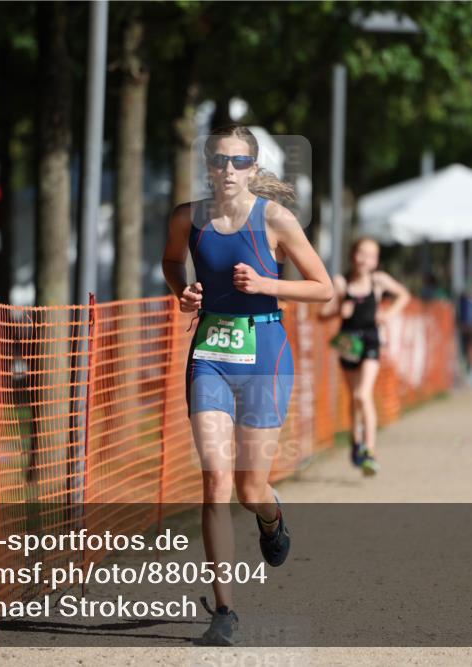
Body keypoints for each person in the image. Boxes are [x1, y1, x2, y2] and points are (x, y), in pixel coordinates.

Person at [161, 124, 333, 646]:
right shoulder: (187, 218)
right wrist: (183, 292)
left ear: (253, 168)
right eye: (219, 160)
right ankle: (225, 610)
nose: (228, 170)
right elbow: (171, 261)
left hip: (265, 355)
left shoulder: (275, 218)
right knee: (215, 481)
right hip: (209, 357)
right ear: (208, 165)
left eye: (239, 162)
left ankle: (271, 516)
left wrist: (265, 284)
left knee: (248, 488)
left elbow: (323, 287)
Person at [320, 238, 410, 475]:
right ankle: (355, 439)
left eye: (371, 255)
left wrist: (388, 314)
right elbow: (321, 314)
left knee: (363, 393)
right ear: (353, 255)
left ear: (376, 260)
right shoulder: (341, 282)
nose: (365, 259)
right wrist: (340, 308)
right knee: (354, 397)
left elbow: (404, 295)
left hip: (371, 341)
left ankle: (370, 450)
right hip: (348, 343)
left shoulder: (378, 281)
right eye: (361, 253)